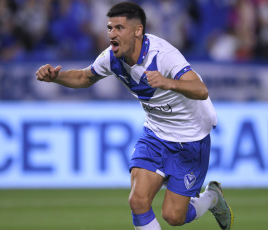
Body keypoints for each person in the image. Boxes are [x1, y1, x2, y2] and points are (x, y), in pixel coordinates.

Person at [35, 2, 233, 229]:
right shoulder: (111, 57)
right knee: (137, 201)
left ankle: (212, 198)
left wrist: (167, 82)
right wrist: (55, 77)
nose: (112, 34)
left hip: (190, 137)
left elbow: (201, 90)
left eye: (119, 28)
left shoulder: (163, 55)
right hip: (156, 134)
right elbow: (84, 78)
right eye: (109, 28)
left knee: (174, 217)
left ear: (138, 30)